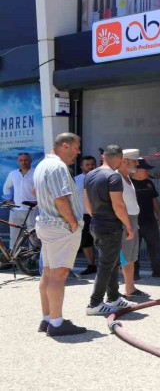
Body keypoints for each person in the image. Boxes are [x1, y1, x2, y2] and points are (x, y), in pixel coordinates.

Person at [32, 133, 86, 336]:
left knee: (48, 272)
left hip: (47, 224)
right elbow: (60, 199)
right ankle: (56, 323)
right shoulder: (58, 167)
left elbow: (37, 193)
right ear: (65, 146)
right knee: (59, 274)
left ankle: (47, 319)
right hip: (60, 227)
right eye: (76, 147)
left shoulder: (42, 165)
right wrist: (73, 222)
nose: (78, 152)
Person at [84, 145, 136, 316]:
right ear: (120, 158)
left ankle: (113, 297)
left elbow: (87, 202)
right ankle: (95, 303)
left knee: (112, 262)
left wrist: (96, 217)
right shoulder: (114, 176)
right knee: (106, 265)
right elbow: (118, 205)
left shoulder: (90, 175)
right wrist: (128, 226)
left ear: (103, 157)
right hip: (110, 227)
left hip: (96, 224)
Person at [116, 149, 148, 298]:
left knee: (131, 256)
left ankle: (130, 288)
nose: (137, 163)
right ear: (125, 161)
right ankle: (119, 291)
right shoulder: (117, 178)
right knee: (124, 256)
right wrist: (127, 224)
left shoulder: (127, 177)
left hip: (132, 220)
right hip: (125, 221)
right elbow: (118, 204)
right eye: (134, 161)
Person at [132, 158, 160, 278]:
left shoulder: (149, 183)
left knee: (155, 247)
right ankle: (134, 274)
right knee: (134, 249)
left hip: (150, 221)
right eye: (145, 169)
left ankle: (158, 271)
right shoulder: (128, 183)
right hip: (134, 222)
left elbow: (154, 200)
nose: (148, 172)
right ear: (136, 170)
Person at [3, 152, 37, 251]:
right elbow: (6, 187)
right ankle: (13, 255)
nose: (23, 162)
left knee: (33, 235)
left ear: (30, 160)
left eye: (26, 160)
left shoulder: (36, 173)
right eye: (21, 160)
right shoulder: (13, 174)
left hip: (31, 210)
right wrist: (9, 199)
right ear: (18, 162)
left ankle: (33, 257)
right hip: (16, 209)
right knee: (14, 235)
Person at [74, 156, 97, 275]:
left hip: (99, 215)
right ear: (81, 166)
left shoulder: (101, 178)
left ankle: (110, 266)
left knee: (103, 241)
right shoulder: (75, 180)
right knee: (85, 241)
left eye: (92, 164)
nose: (90, 167)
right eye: (87, 164)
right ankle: (91, 265)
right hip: (83, 215)